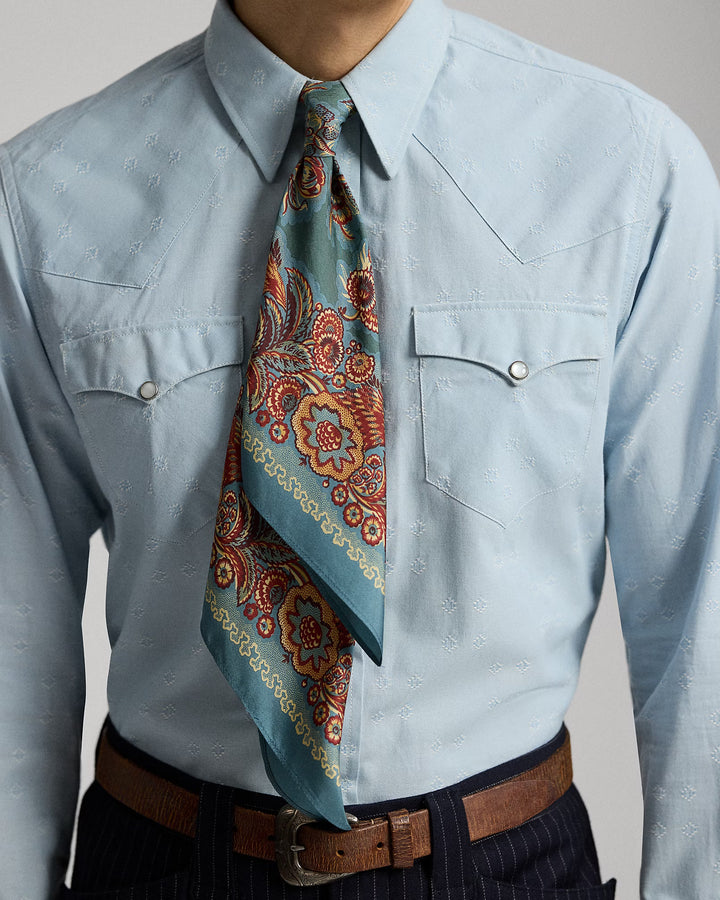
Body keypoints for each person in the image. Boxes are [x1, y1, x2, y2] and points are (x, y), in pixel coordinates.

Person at [1, 0, 718, 897]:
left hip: (504, 866)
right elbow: (12, 638)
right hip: (165, 861)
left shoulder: (627, 167)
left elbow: (701, 602)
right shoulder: (43, 199)